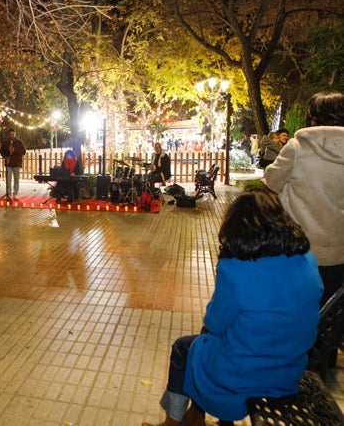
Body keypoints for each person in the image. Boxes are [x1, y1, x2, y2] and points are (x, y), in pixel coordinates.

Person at [143, 187, 322, 426]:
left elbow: (215, 323)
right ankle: (199, 416)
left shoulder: (236, 267)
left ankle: (174, 421)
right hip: (289, 370)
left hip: (243, 373)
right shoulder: (307, 259)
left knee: (186, 348)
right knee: (213, 344)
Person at [264, 90, 344, 307]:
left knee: (293, 312)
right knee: (326, 313)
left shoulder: (298, 147)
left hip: (298, 250)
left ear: (313, 116)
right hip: (339, 253)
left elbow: (271, 180)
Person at [0, 128, 27, 200]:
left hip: (17, 164)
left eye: (13, 134)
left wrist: (15, 150)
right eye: (10, 134)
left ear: (15, 134)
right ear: (9, 134)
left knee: (16, 180)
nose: (12, 135)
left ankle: (15, 194)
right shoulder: (5, 142)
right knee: (8, 180)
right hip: (8, 163)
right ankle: (8, 194)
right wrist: (6, 156)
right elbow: (2, 151)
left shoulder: (19, 142)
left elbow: (24, 152)